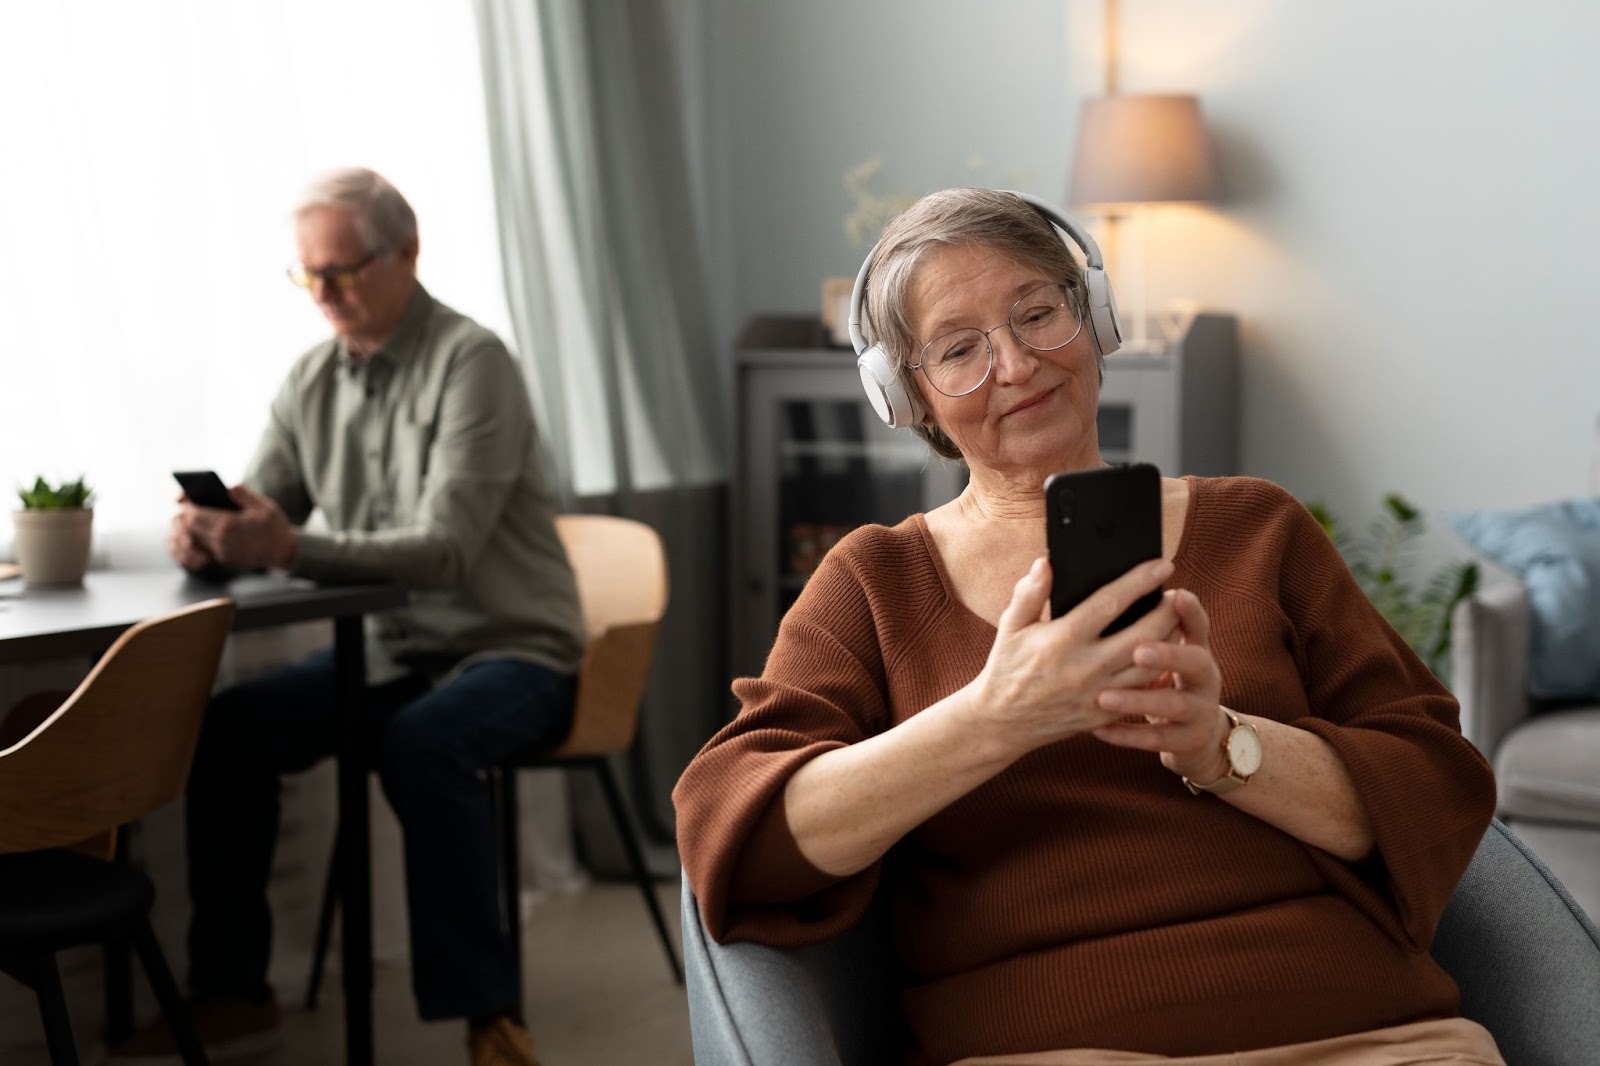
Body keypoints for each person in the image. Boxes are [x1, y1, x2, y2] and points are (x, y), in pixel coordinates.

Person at [673, 188, 1502, 1066]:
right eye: (960, 349)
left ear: (1095, 318)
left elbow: (1434, 784)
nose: (1019, 365)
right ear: (906, 397)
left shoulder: (1261, 529)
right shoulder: (874, 583)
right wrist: (994, 718)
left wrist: (1221, 747)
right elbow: (741, 837)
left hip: (1364, 1033)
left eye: (1038, 313)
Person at [113, 168, 584, 1066]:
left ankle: (489, 1018)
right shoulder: (309, 381)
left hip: (518, 650)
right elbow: (272, 509)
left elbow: (444, 549)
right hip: (391, 652)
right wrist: (213, 534)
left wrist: (281, 546)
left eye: (341, 271)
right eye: (308, 276)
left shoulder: (473, 363)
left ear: (407, 254)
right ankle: (233, 992)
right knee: (225, 731)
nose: (323, 295)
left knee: (422, 740)